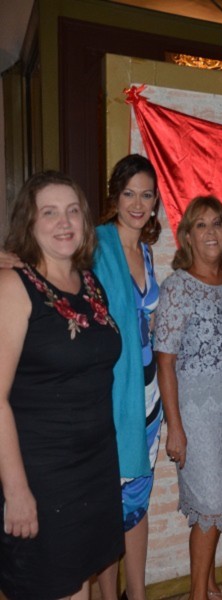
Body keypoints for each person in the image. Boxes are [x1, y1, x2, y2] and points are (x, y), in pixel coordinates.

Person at [0, 171, 123, 599]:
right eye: (49, 213)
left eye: (73, 211)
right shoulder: (12, 287)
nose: (64, 222)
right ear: (29, 223)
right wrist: (16, 491)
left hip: (95, 466)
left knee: (79, 584)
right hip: (43, 474)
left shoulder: (90, 283)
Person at [155, 196, 222, 600]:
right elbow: (165, 361)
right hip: (195, 416)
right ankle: (198, 594)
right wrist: (175, 428)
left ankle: (209, 584)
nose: (211, 232)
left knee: (217, 502)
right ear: (187, 237)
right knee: (211, 504)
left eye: (217, 223)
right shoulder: (178, 287)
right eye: (201, 225)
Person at [94, 154, 163, 600]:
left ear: (155, 202)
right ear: (114, 197)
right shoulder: (93, 246)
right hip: (110, 400)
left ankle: (136, 594)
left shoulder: (147, 252)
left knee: (137, 501)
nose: (137, 204)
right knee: (107, 505)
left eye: (146, 195)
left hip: (148, 401)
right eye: (129, 194)